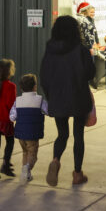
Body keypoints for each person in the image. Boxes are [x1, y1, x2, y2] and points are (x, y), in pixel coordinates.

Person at [40, 15, 94, 186]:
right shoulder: (81, 50)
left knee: (62, 134)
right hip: (78, 97)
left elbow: (44, 76)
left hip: (58, 98)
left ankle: (55, 160)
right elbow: (90, 74)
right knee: (78, 136)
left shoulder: (50, 50)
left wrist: (51, 96)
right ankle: (77, 174)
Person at [10, 73, 48, 184]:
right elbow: (48, 111)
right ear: (35, 86)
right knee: (33, 156)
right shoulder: (40, 100)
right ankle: (27, 169)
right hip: (33, 134)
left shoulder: (18, 101)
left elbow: (12, 116)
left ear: (21, 88)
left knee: (25, 153)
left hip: (20, 134)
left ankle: (26, 175)